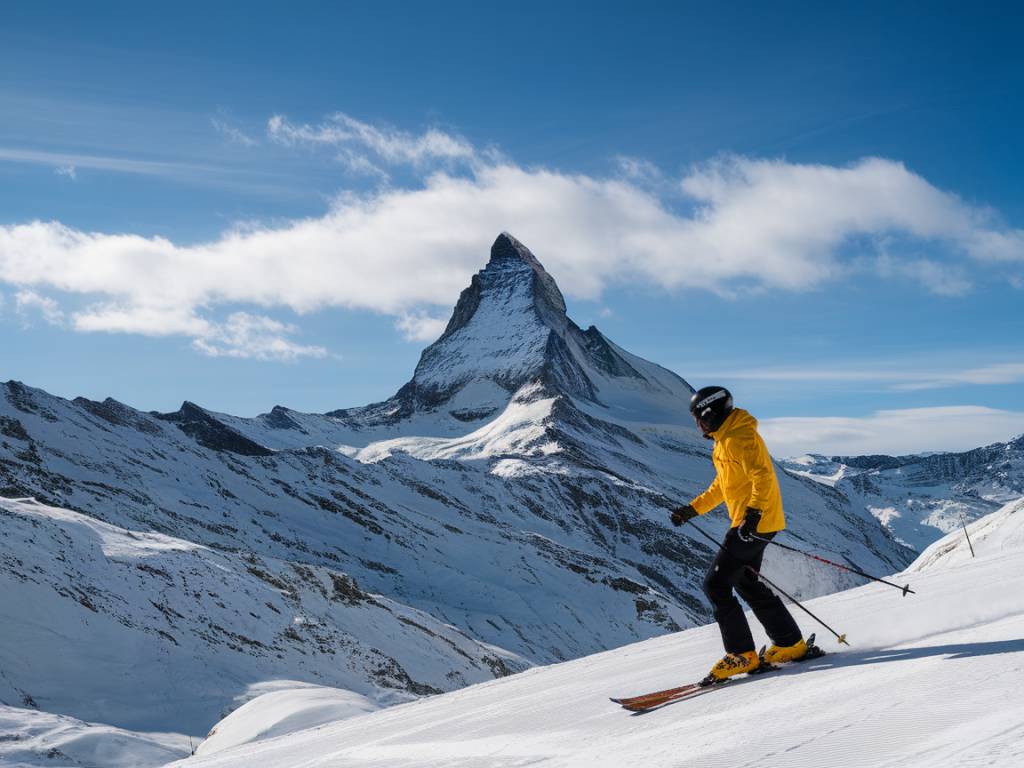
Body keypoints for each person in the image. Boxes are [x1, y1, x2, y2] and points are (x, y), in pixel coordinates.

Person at [670, 385, 807, 681]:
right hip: (753, 522)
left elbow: (763, 475)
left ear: (712, 414)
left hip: (752, 523)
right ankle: (789, 643)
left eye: (700, 419)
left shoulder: (738, 437)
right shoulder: (724, 441)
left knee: (716, 585)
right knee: (746, 581)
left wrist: (753, 516)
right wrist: (692, 509)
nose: (699, 426)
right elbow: (722, 486)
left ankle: (741, 654)